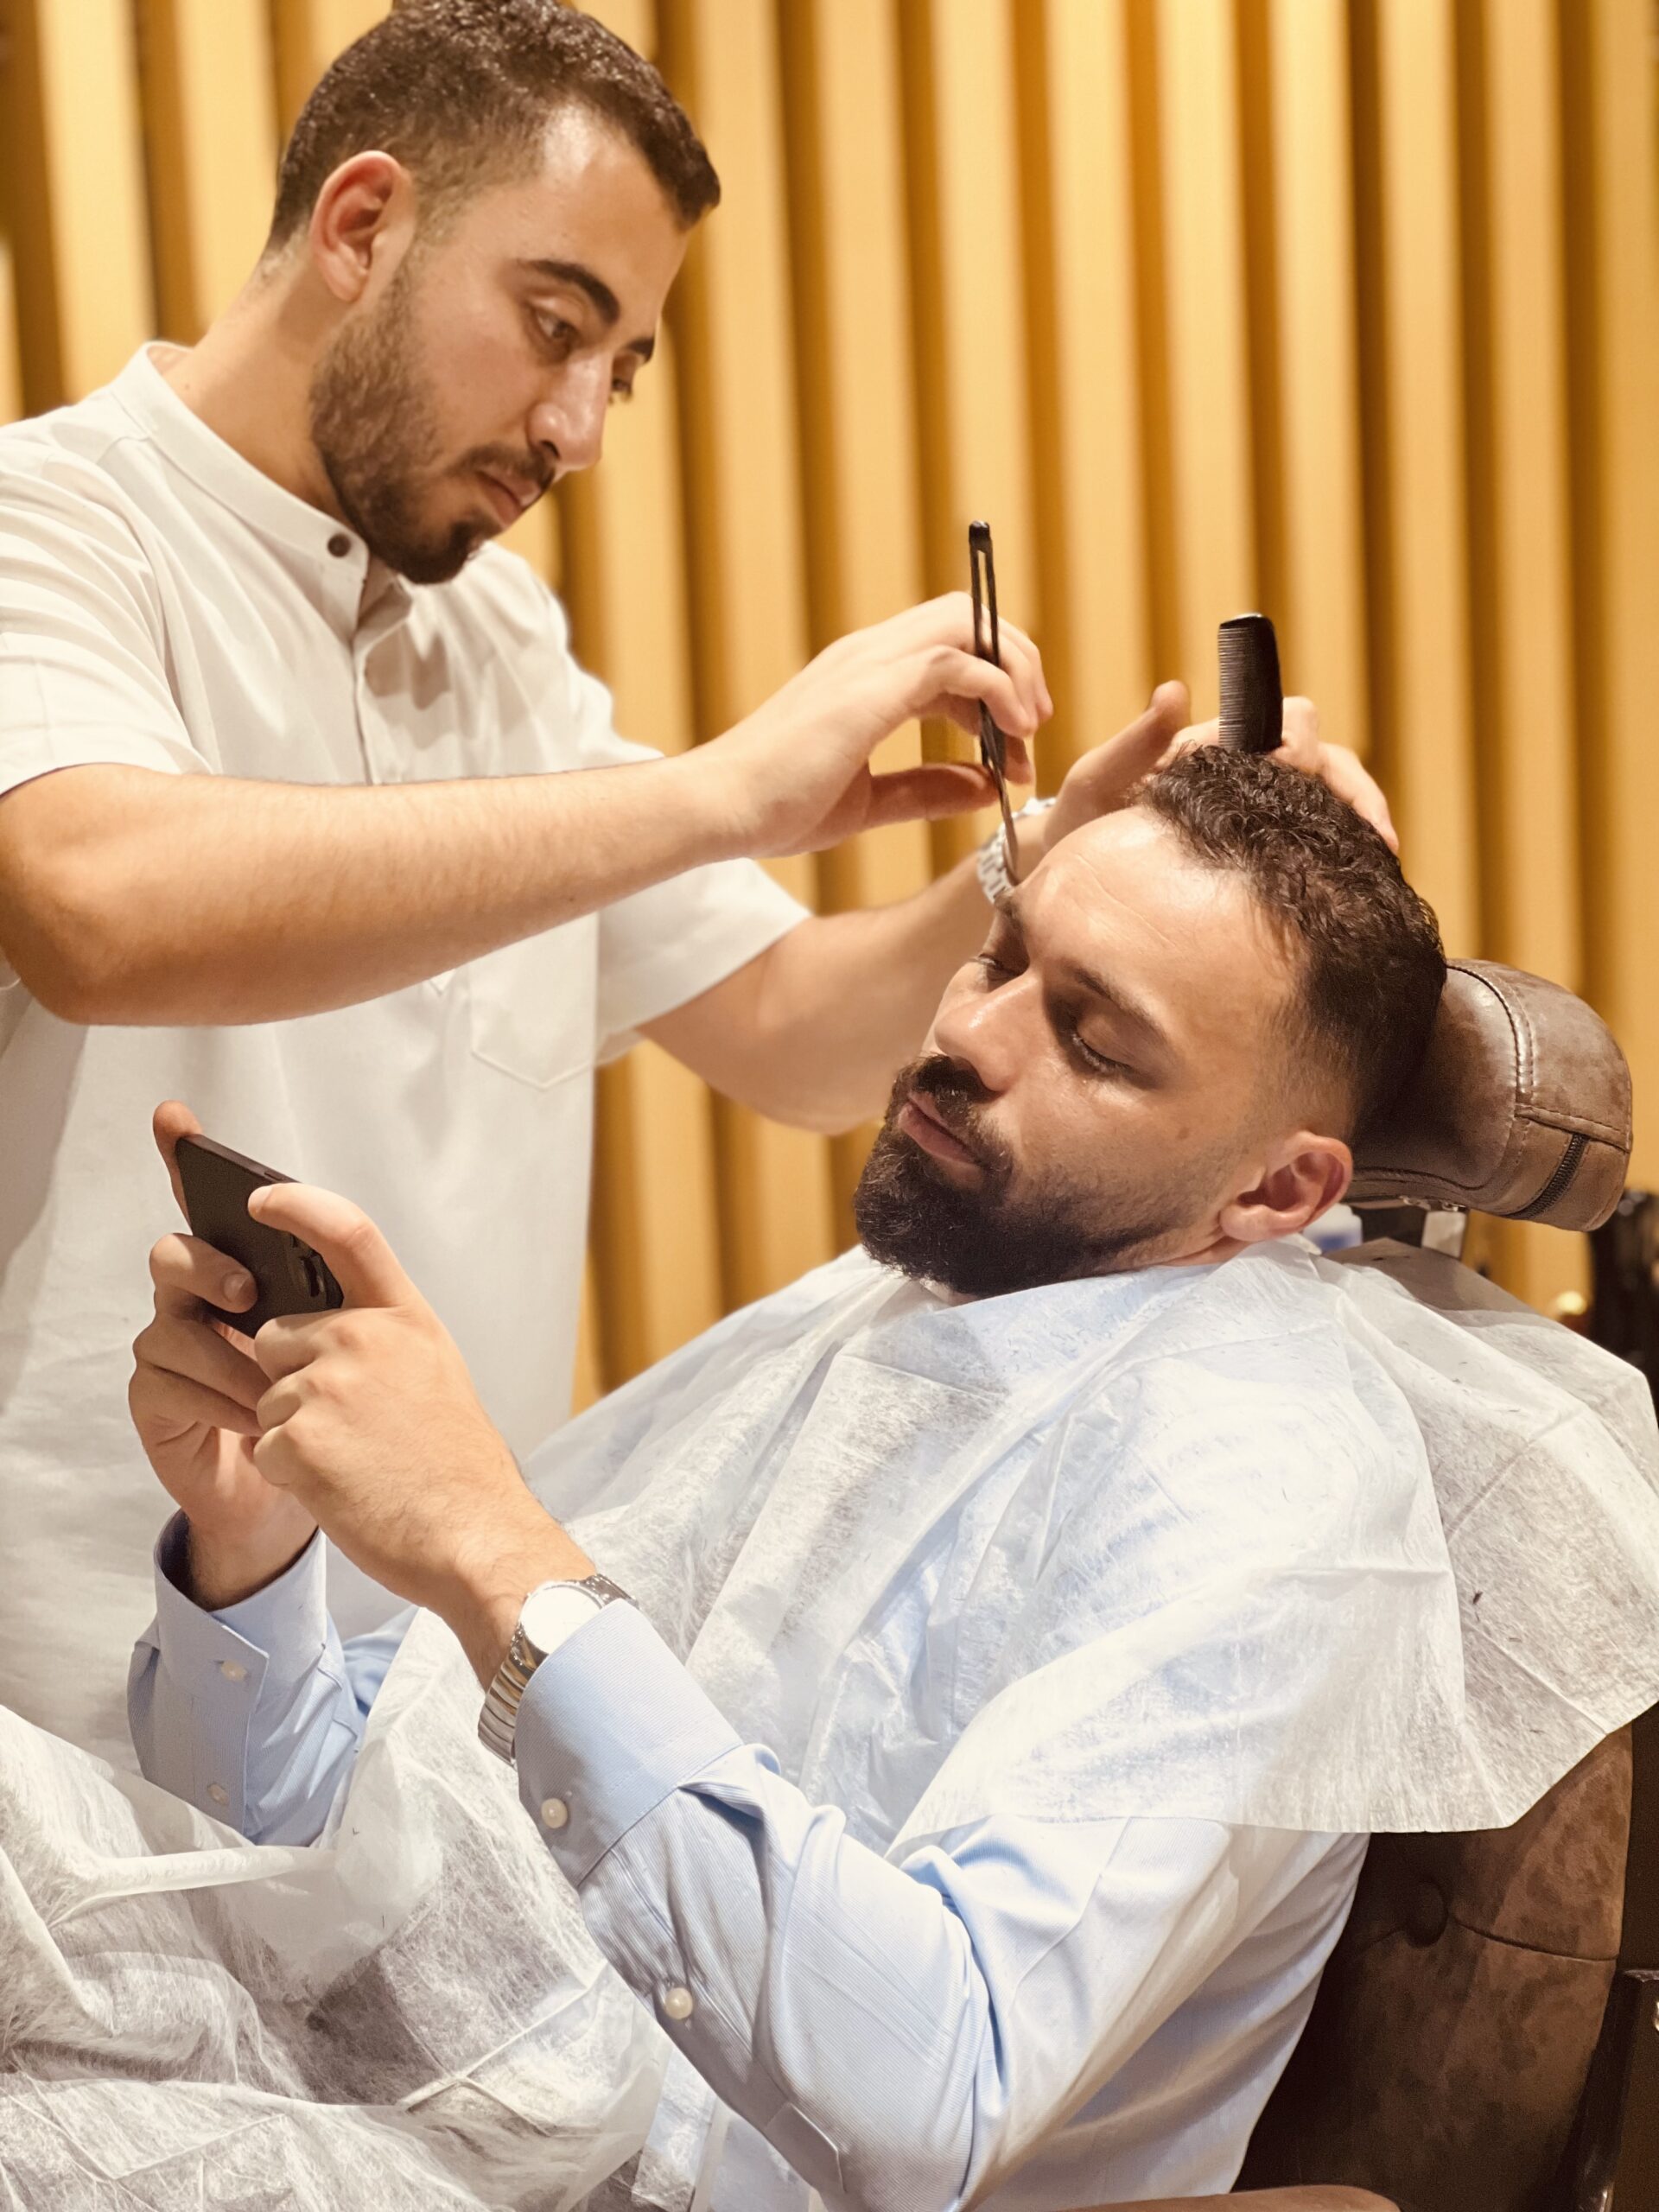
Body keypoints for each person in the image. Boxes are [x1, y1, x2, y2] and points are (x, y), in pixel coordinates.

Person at [0, 0, 1393, 1758]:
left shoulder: (490, 631)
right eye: (552, 324)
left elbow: (800, 1045)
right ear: (360, 225)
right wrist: (729, 791)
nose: (579, 427)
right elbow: (96, 902)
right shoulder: (51, 526)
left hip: (411, 1724)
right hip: (67, 1725)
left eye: (624, 367)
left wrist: (1046, 882)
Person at [118, 747, 1659, 2211]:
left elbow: (930, 2098)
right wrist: (251, 1562)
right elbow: (347, 1836)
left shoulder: (1267, 1499)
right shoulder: (894, 1315)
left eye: (1095, 1041)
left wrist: (498, 1557)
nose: (972, 1038)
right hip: (457, 2113)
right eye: (1001, 958)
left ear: (1278, 1187)